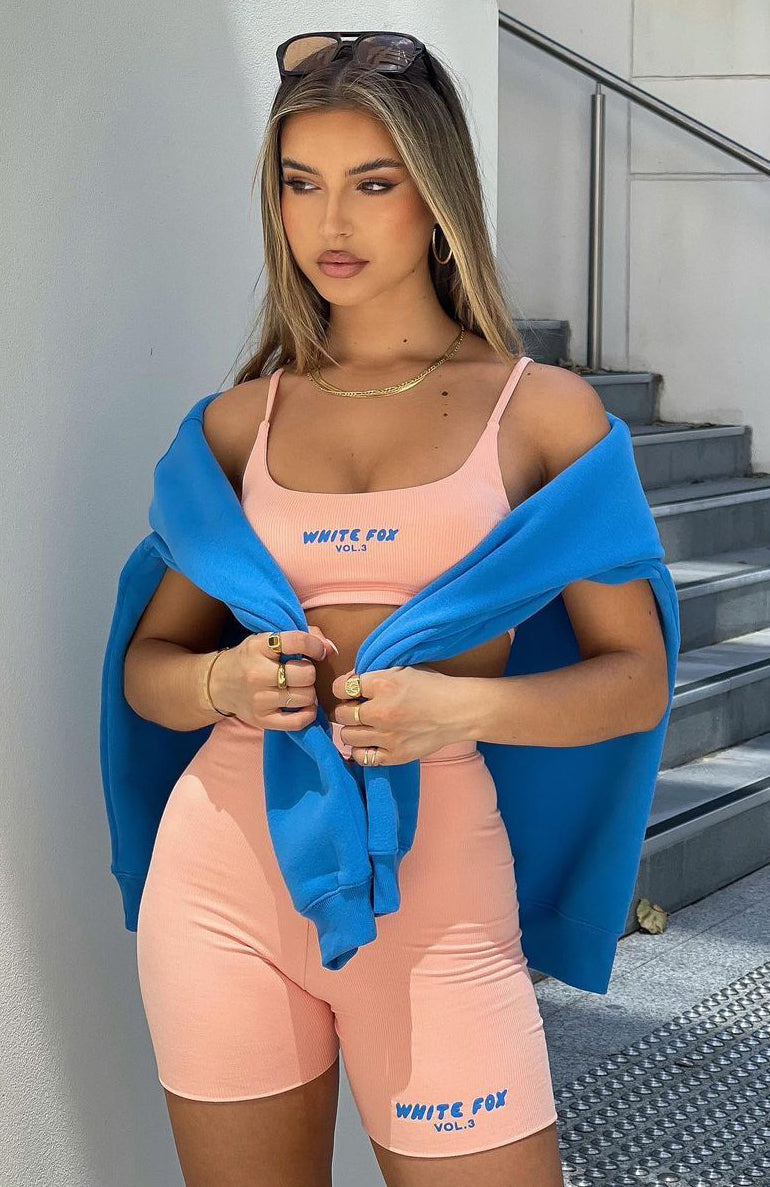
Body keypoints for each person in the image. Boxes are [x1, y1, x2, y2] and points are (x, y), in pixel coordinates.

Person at [123, 31, 669, 1187]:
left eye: (372, 184)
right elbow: (149, 666)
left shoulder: (542, 413)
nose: (330, 222)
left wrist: (459, 708)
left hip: (436, 896)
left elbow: (634, 678)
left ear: (435, 197)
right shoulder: (236, 422)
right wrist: (221, 679)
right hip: (218, 879)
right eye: (300, 183)